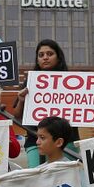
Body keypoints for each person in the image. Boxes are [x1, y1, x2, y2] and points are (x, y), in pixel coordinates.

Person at [12, 39, 77, 167]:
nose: (45, 58)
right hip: (35, 139)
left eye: (50, 54)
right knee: (37, 181)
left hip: (66, 141)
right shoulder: (30, 81)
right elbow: (17, 115)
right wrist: (21, 100)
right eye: (41, 55)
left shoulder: (74, 82)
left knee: (67, 178)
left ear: (58, 57)